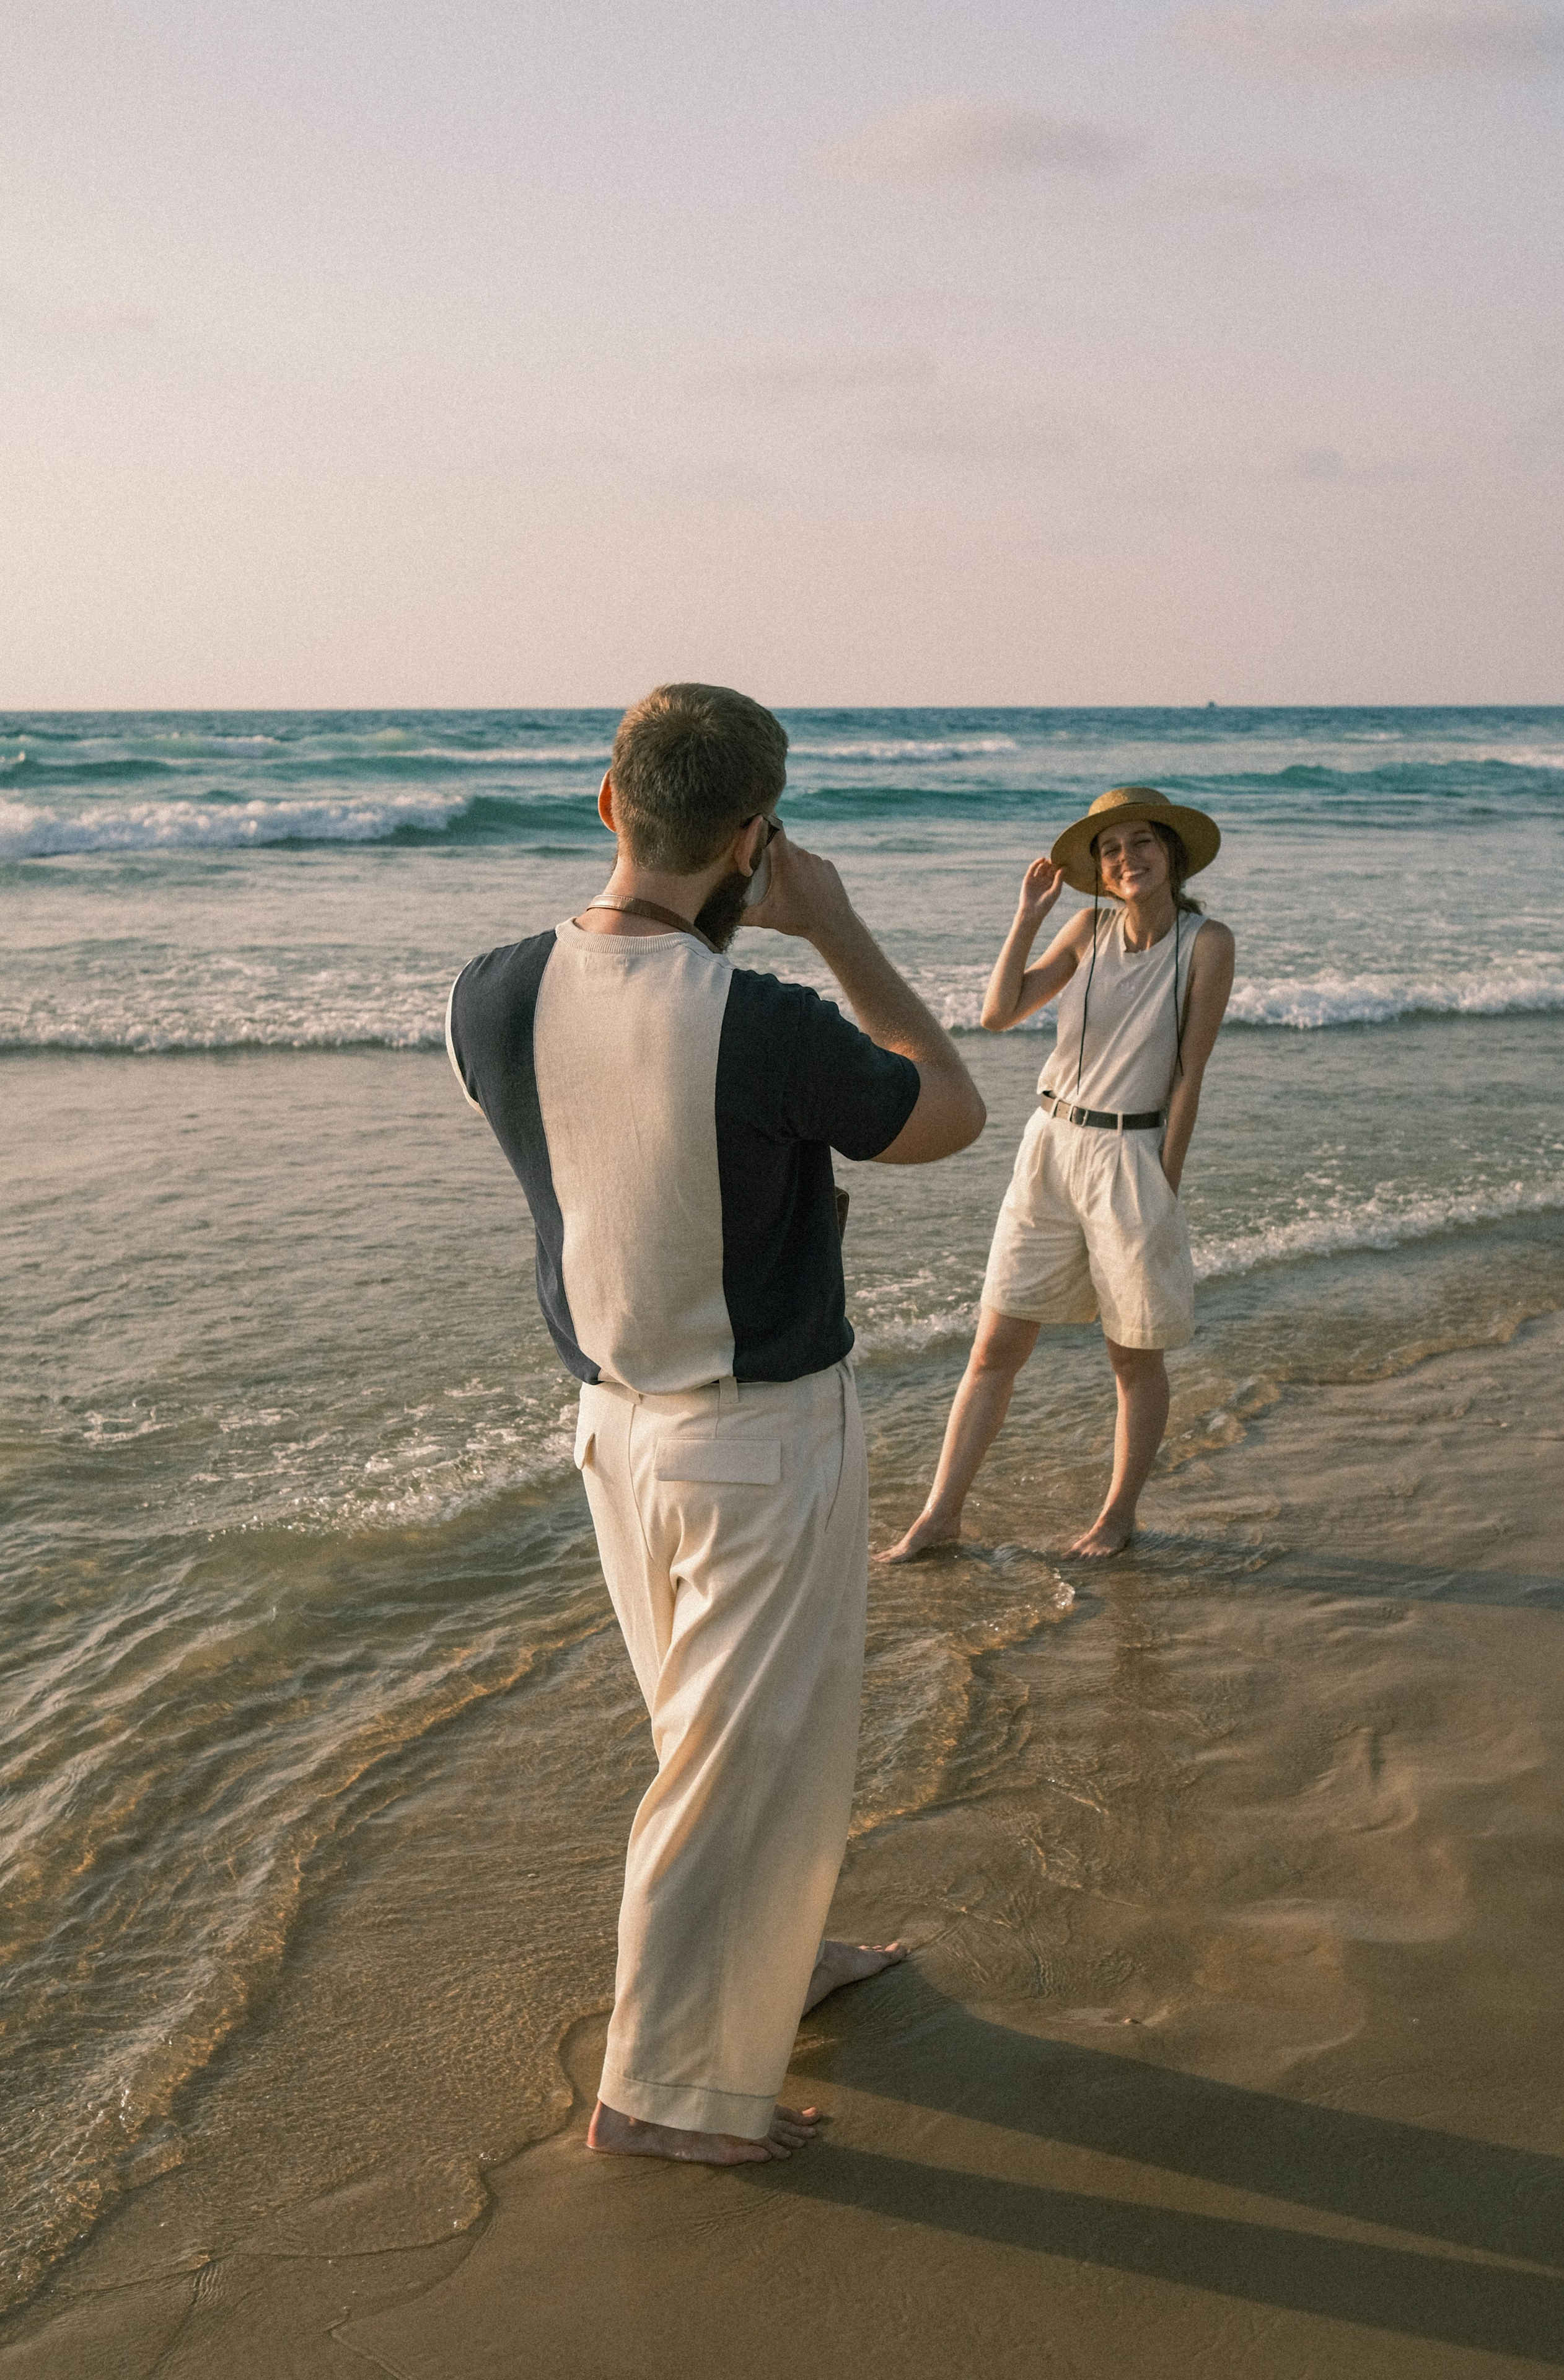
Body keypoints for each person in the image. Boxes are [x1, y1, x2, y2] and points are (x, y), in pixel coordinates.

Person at [446, 684, 985, 2167]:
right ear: (752, 837)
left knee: (721, 1734)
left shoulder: (488, 990)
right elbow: (950, 1109)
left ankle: (776, 1962)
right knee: (737, 1755)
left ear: (608, 803)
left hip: (611, 1427)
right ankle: (663, 2093)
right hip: (756, 1434)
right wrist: (835, 927)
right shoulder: (764, 1021)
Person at [879, 785, 1235, 1565]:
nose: (1126, 859)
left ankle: (1117, 1516)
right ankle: (939, 1518)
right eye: (1111, 851)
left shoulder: (1206, 943)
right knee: (994, 1347)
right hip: (1048, 1148)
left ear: (1170, 855)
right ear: (1099, 872)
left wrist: (1163, 1186)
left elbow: (1189, 1073)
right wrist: (1028, 916)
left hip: (1132, 1159)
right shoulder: (1086, 928)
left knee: (1132, 1356)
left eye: (1141, 843)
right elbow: (997, 1013)